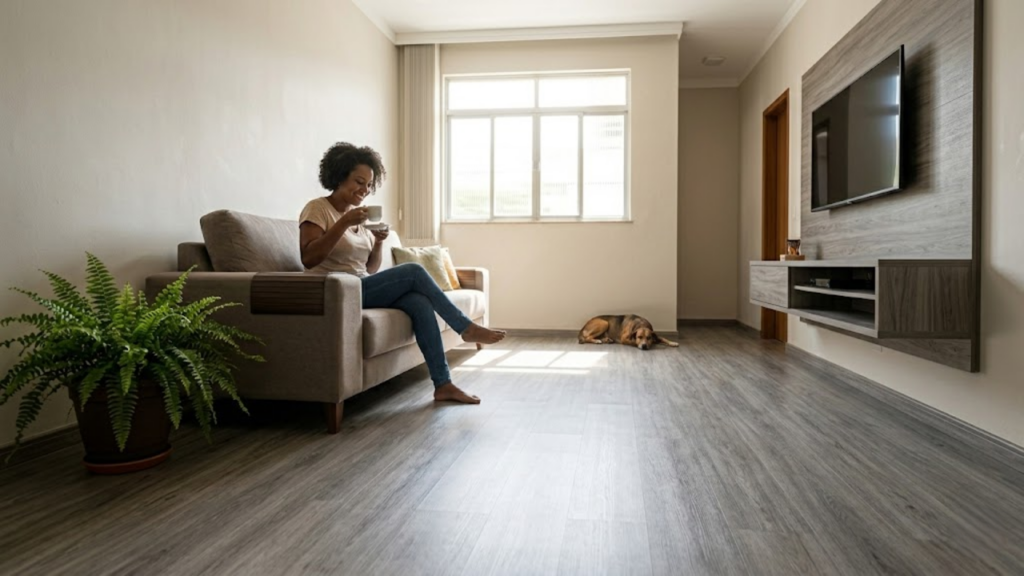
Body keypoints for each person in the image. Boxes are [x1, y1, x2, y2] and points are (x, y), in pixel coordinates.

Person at [299, 142, 505, 404]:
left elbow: (369, 268)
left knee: (419, 303)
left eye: (369, 185)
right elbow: (309, 258)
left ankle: (443, 384)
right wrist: (343, 224)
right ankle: (464, 327)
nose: (365, 190)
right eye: (359, 182)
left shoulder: (358, 218)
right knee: (413, 271)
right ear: (339, 177)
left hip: (360, 286)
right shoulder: (318, 209)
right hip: (336, 292)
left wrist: (379, 242)